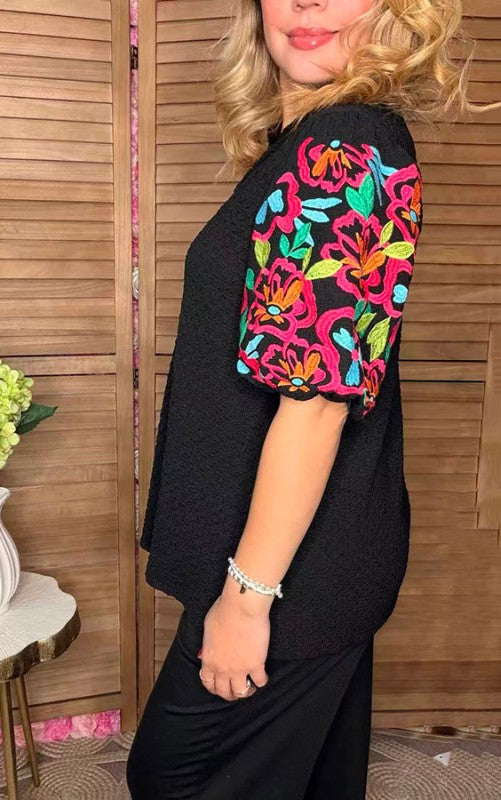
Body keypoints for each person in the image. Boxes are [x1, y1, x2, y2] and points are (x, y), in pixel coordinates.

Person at [127, 1, 495, 797]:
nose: (306, 3)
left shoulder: (345, 147)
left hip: (290, 574)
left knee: (171, 778)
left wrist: (246, 602)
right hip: (313, 555)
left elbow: (316, 401)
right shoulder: (311, 144)